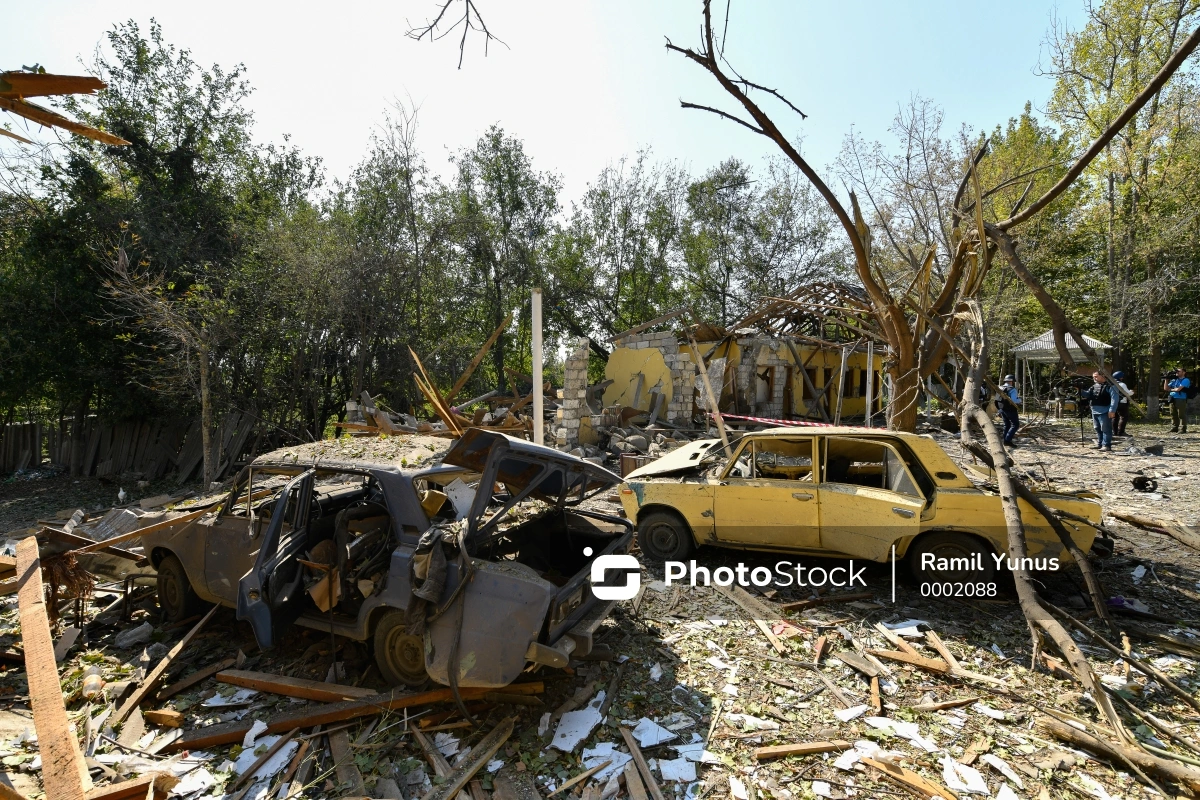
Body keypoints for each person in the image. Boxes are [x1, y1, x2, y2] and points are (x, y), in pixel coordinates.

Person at [1085, 371, 1118, 451]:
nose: (1094, 378)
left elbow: (1115, 399)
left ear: (1103, 376)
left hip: (1105, 411)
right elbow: (1087, 394)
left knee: (1105, 429)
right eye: (1093, 376)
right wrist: (1079, 390)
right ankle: (1100, 443)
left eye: (1096, 376)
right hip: (1094, 410)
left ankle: (1106, 445)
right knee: (1097, 428)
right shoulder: (1094, 386)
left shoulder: (1110, 386)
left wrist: (1112, 410)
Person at [1165, 367, 1191, 433]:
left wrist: (1170, 389)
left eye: (1179, 371)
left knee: (1181, 414)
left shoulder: (1186, 380)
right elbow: (1166, 388)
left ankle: (1183, 428)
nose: (1177, 372)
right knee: (1173, 413)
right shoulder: (1174, 380)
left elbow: (1178, 389)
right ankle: (1175, 427)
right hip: (1172, 398)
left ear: (1184, 372)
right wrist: (1166, 379)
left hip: (1181, 398)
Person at [998, 374, 1021, 447]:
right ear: (1012, 381)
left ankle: (1005, 440)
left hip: (1002, 409)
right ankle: (1007, 440)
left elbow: (997, 400)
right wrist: (1020, 400)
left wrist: (999, 410)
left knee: (1007, 425)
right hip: (1011, 410)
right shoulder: (1012, 389)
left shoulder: (1000, 388)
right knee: (1015, 425)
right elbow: (1014, 400)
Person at [1112, 371, 1130, 437]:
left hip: (1113, 402)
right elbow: (1127, 393)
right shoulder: (1122, 384)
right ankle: (1121, 432)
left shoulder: (1111, 384)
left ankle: (1114, 432)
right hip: (1122, 402)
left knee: (1114, 417)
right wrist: (1131, 392)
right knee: (1124, 417)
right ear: (1120, 377)